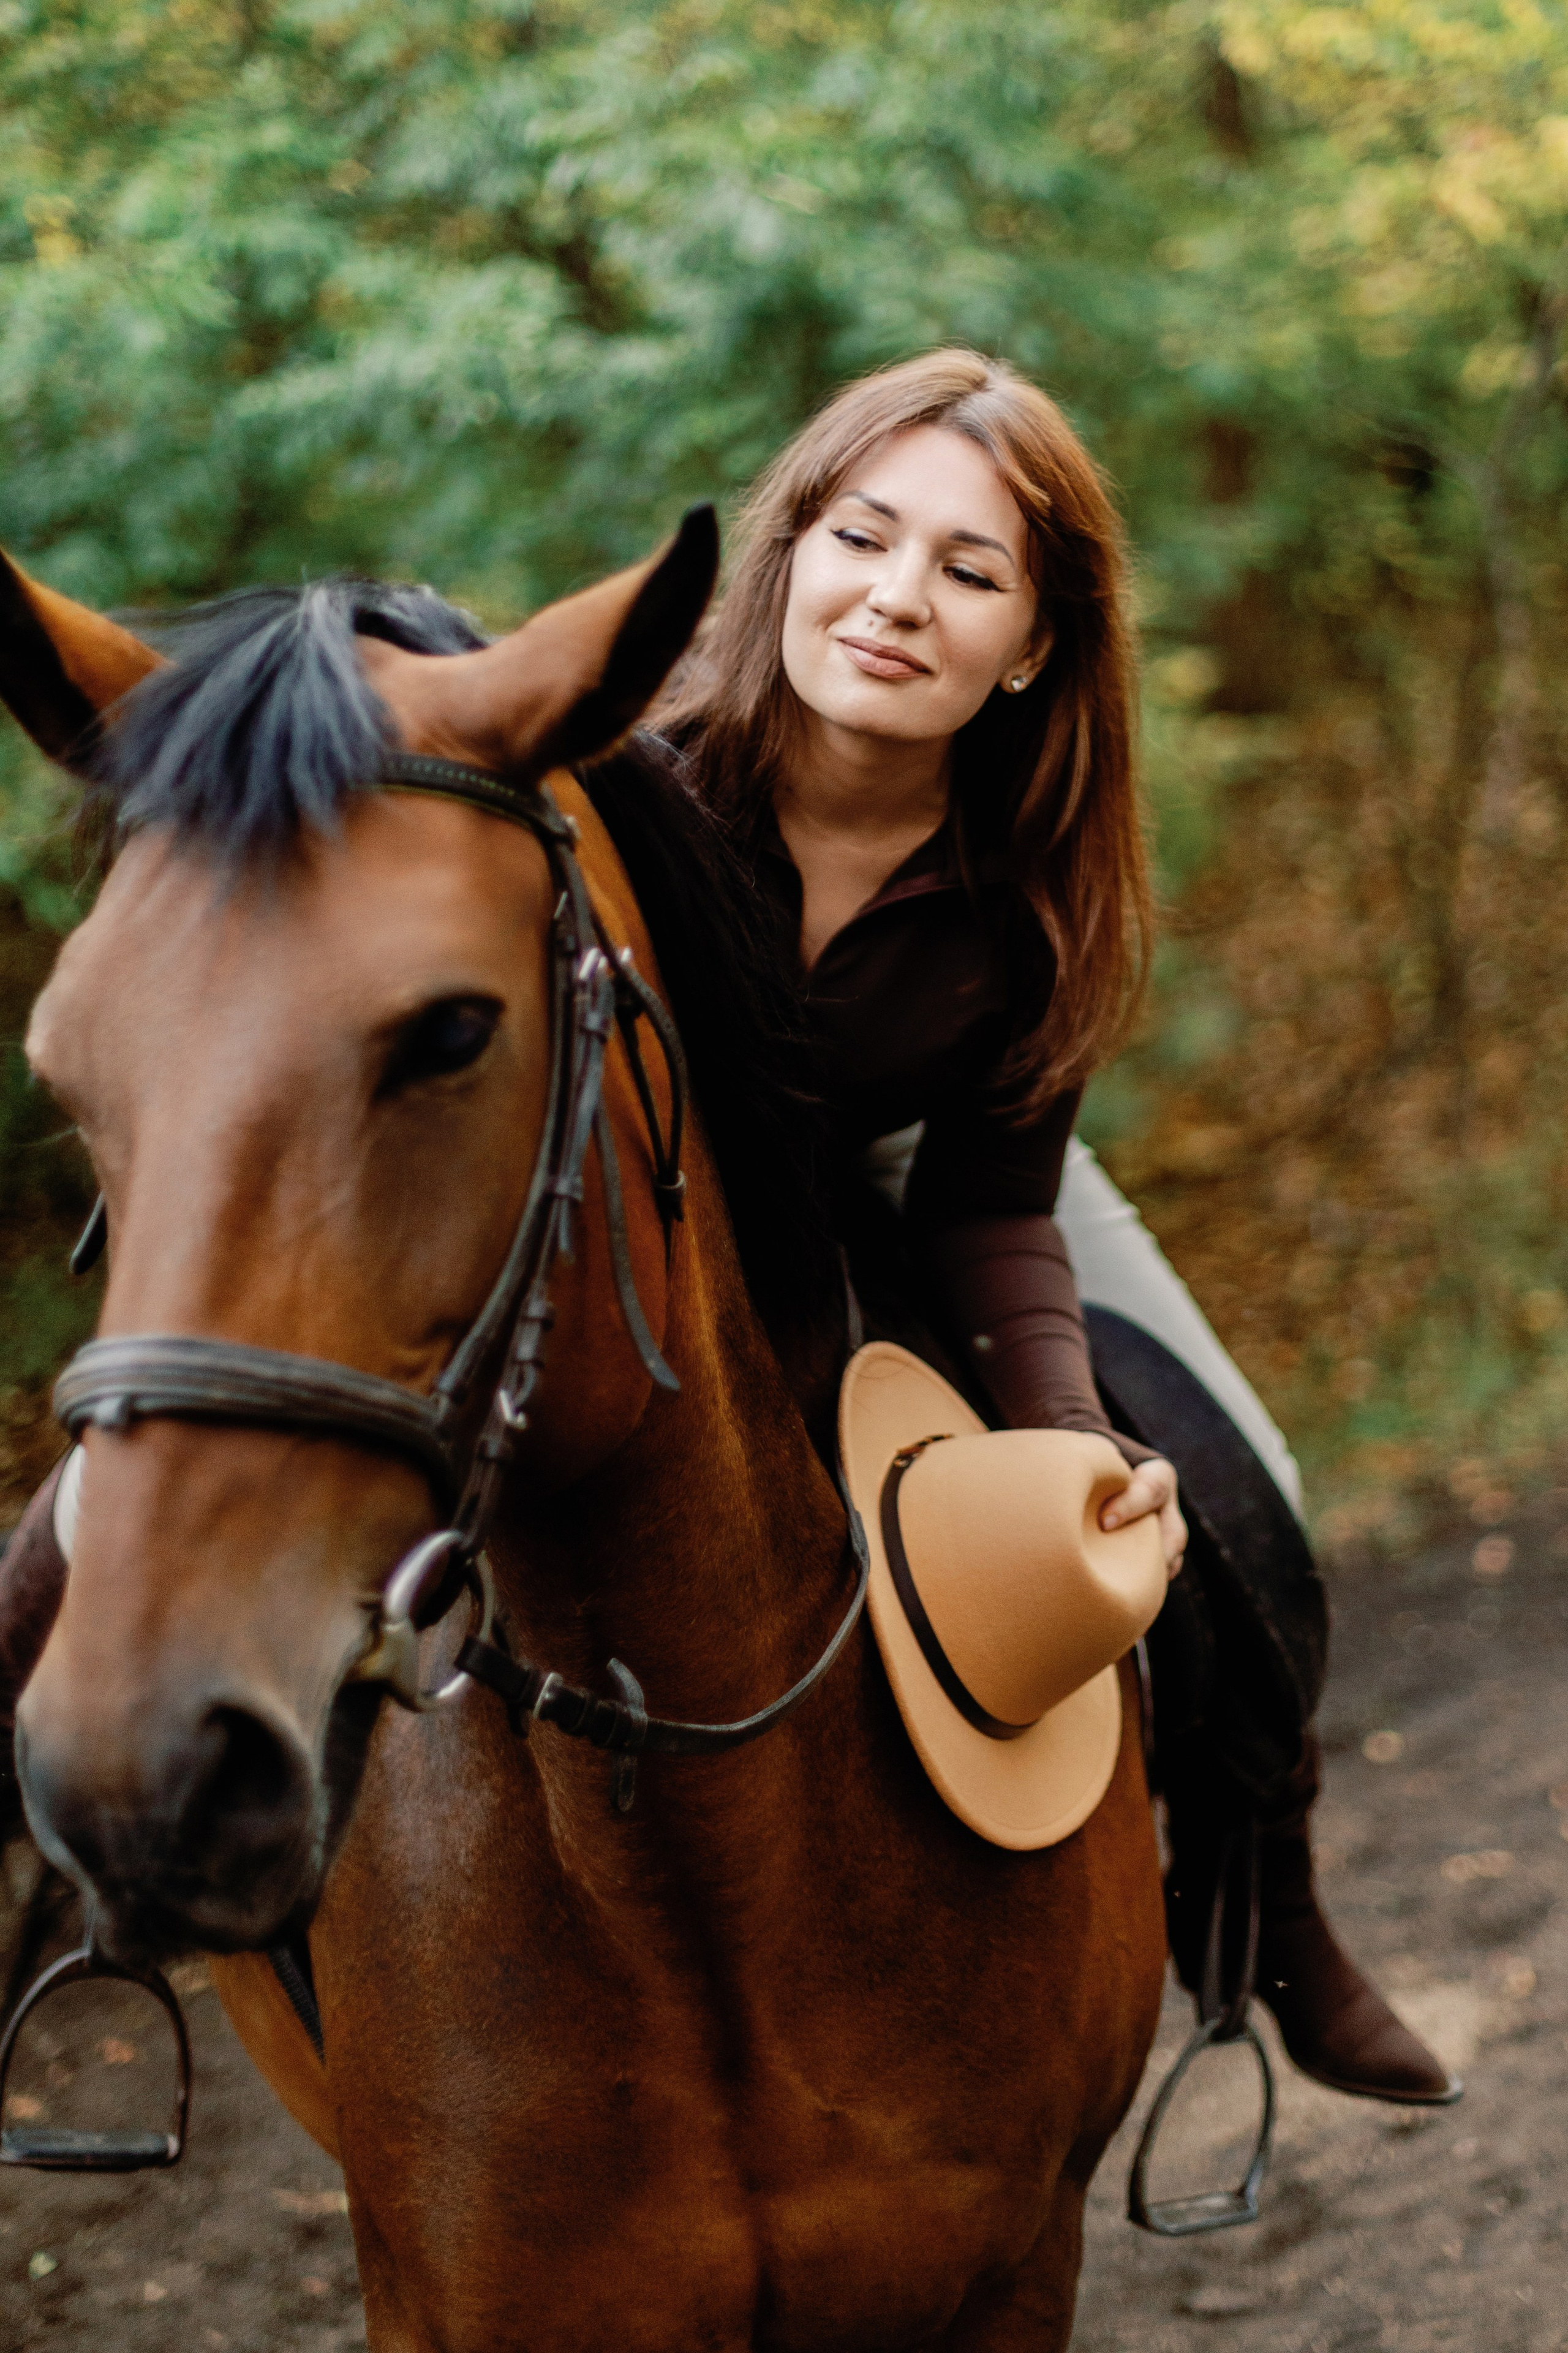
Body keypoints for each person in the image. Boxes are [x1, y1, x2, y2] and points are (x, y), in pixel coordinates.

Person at [641, 346, 1453, 2105]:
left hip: (932, 1161)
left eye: (970, 569)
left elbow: (993, 1202)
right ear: (788, 546)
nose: (896, 598)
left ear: (1030, 647)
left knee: (1233, 1496)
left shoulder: (1035, 889)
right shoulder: (634, 799)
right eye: (864, 536)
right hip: (673, 1180)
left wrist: (1072, 1449)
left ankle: (1264, 1913)